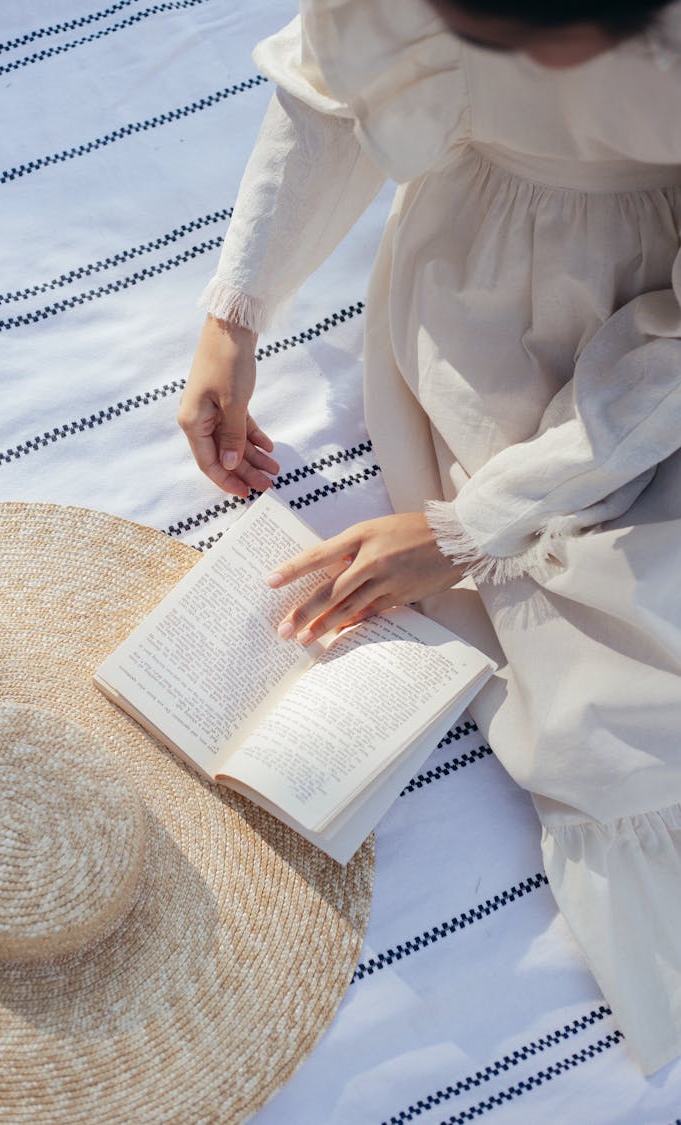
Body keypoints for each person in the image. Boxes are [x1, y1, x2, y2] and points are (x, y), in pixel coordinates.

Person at [178, 0, 681, 1073]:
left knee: (610, 668)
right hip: (469, 275)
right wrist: (235, 317)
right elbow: (336, 89)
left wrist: (468, 528)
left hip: (653, 330)